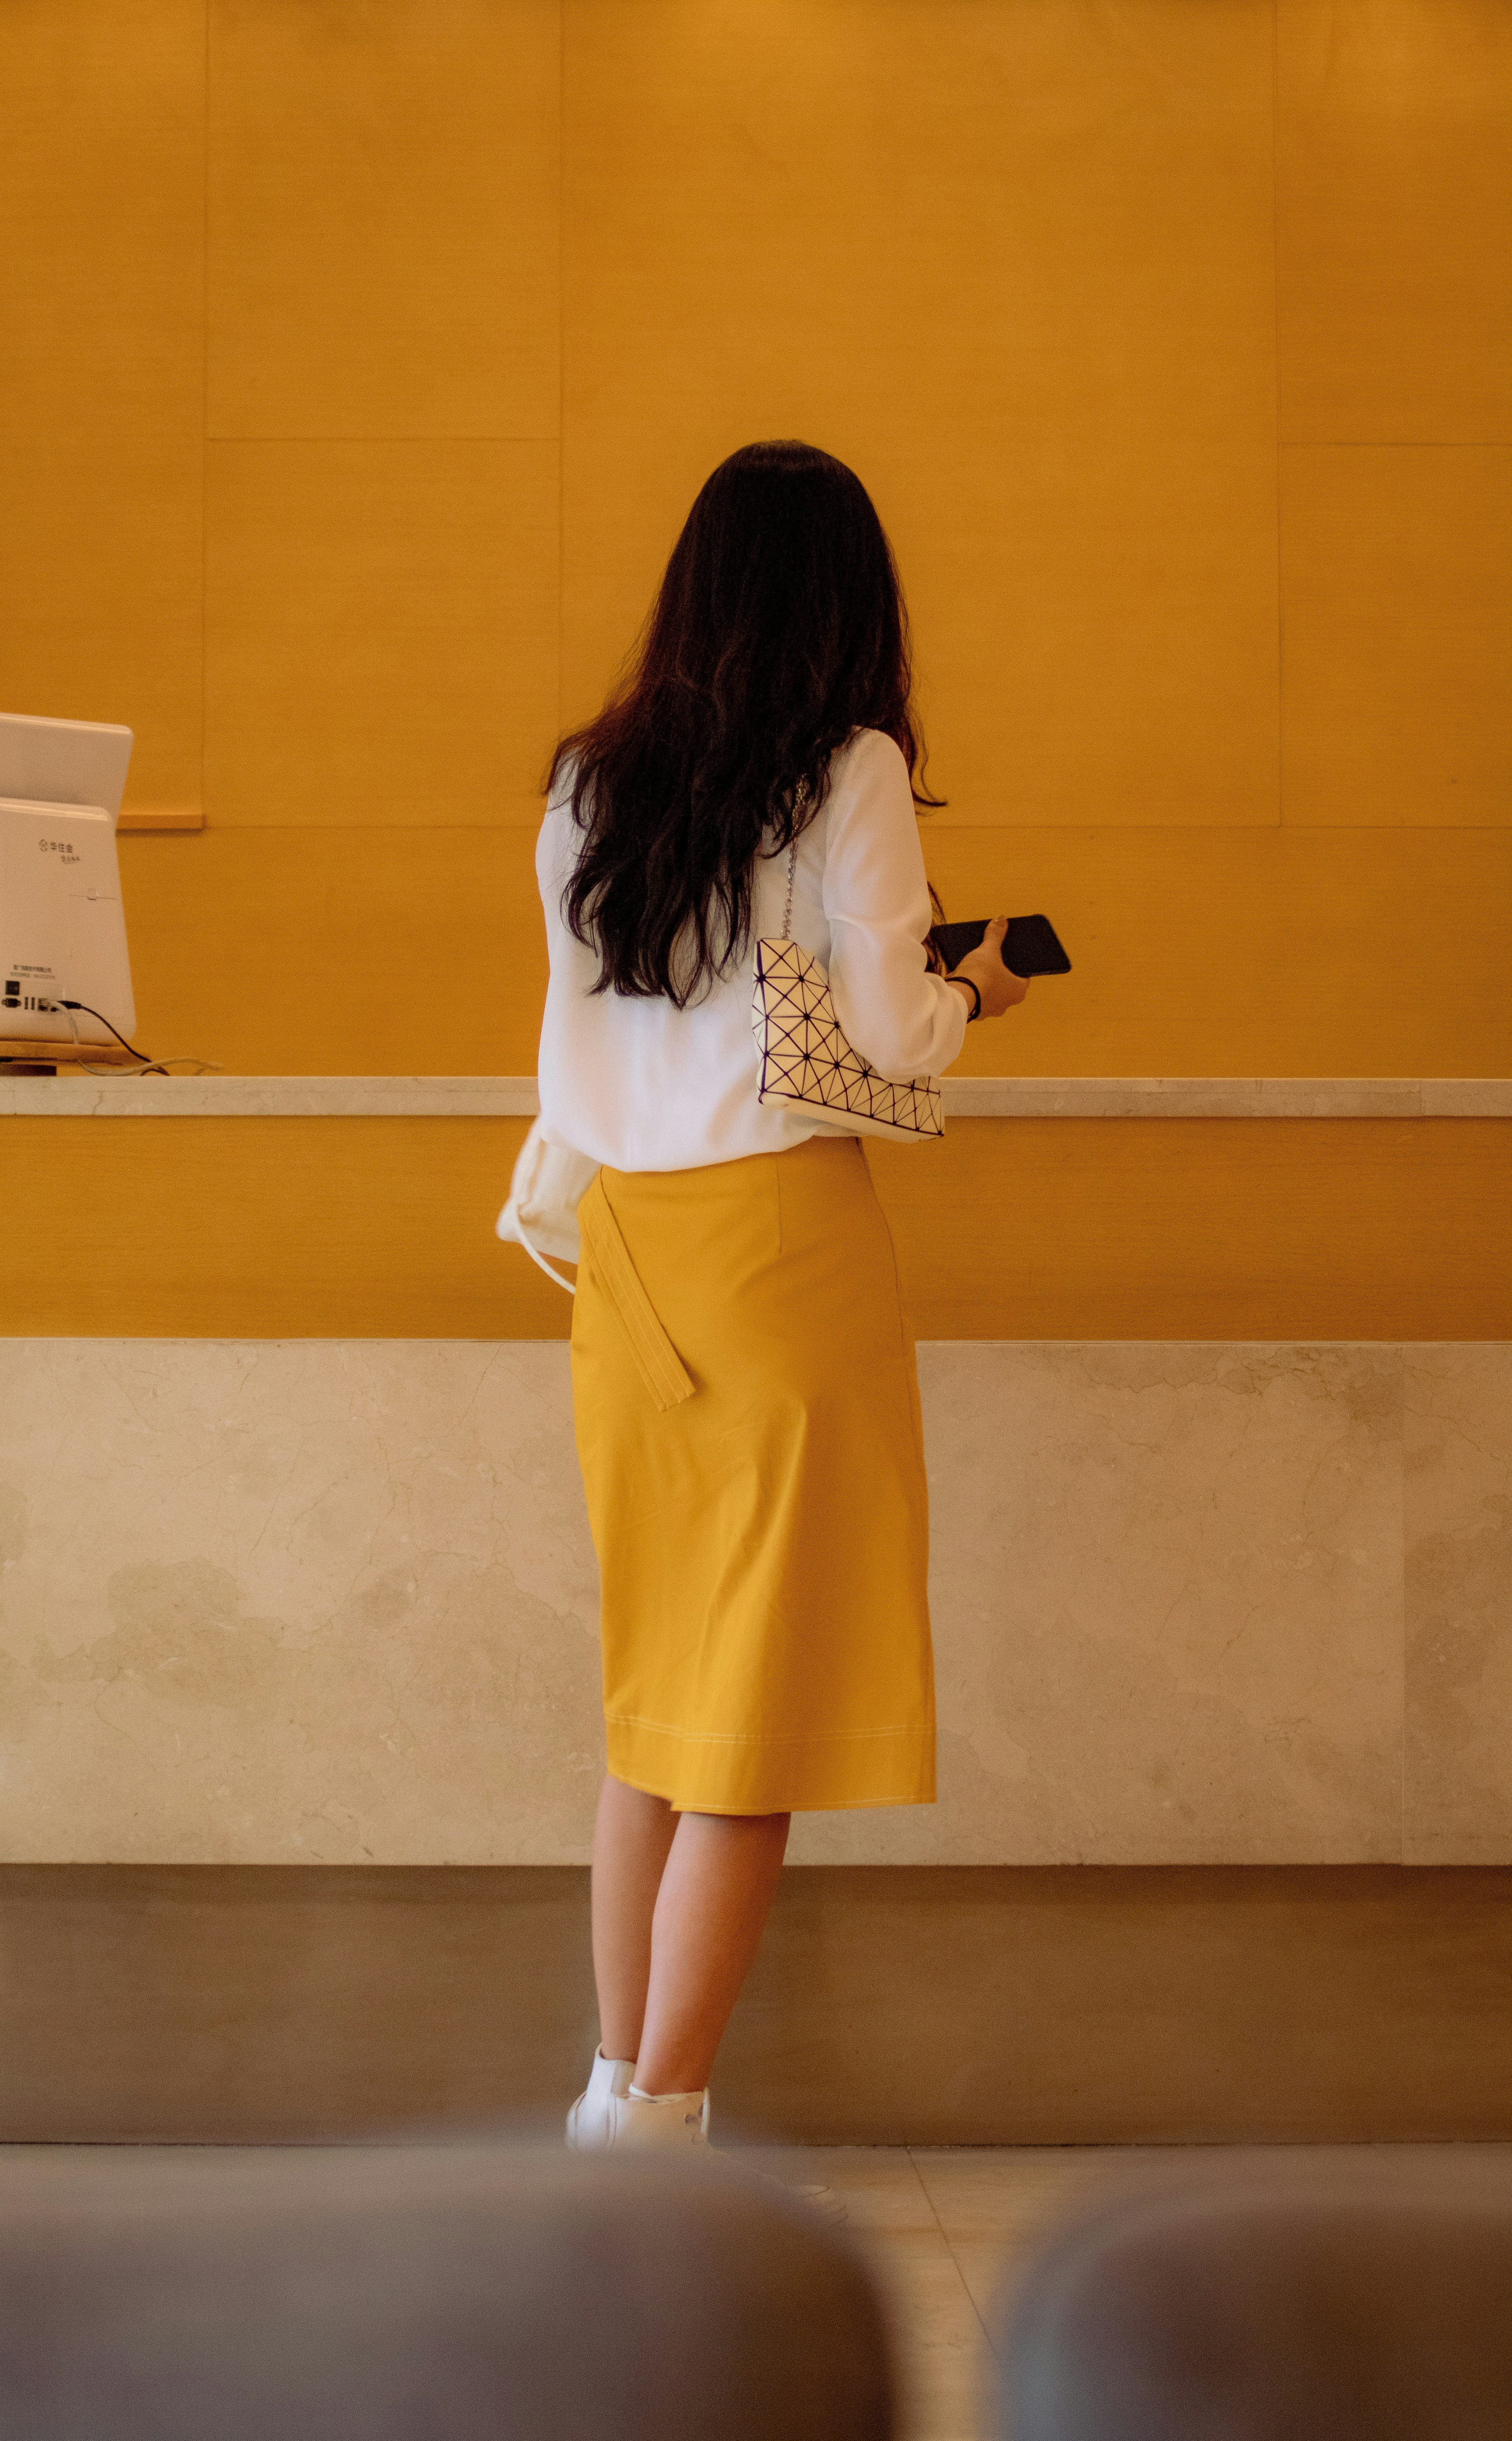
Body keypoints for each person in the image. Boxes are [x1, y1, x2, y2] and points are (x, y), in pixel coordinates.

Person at [534, 440, 1029, 2157]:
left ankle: (615, 2098)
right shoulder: (851, 765)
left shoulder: (588, 780)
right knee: (756, 1719)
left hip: (626, 1260)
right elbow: (888, 1033)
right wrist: (972, 994)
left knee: (656, 1708)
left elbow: (586, 1027)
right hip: (777, 1253)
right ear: (845, 599)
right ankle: (661, 2128)